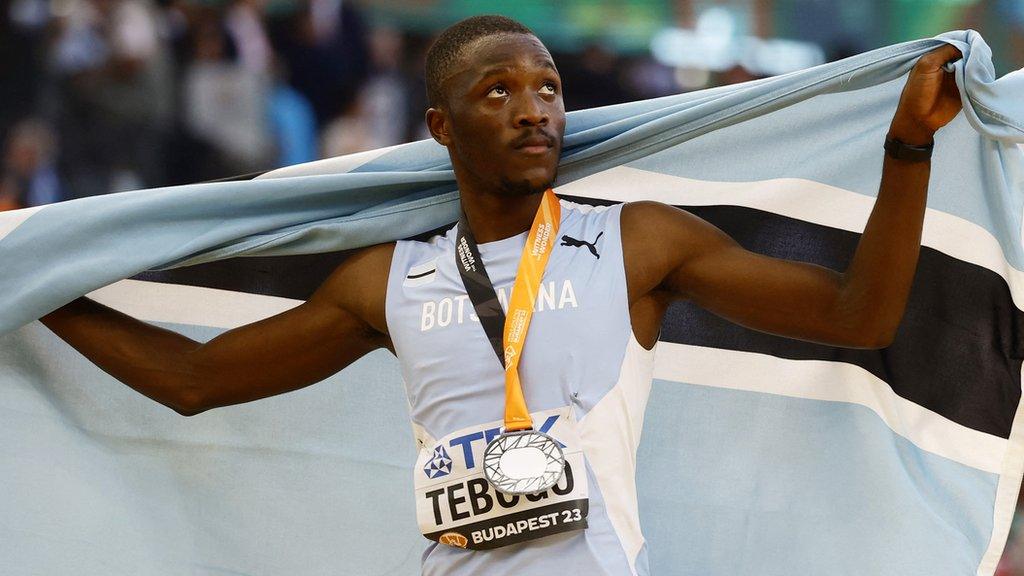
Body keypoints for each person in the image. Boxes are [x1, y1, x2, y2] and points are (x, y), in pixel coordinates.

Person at [39, 14, 963, 576]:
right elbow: (192, 379)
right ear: (442, 125)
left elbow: (860, 315)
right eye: (499, 92)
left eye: (550, 89)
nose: (535, 111)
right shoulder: (385, 278)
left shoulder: (635, 241)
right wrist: (34, 285)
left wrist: (907, 149)